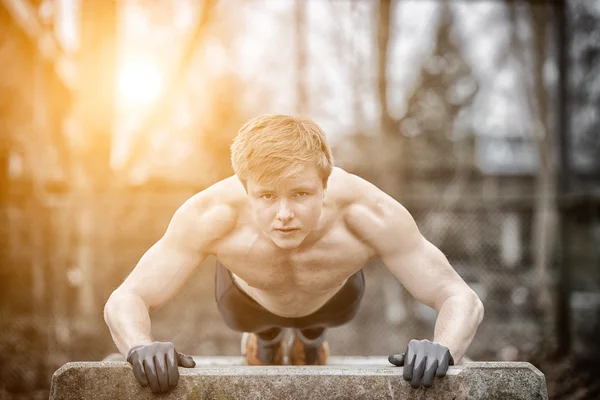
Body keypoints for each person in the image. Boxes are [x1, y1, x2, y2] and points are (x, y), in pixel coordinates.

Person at [104, 114, 484, 394]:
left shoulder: (367, 213)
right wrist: (140, 346)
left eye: (300, 194)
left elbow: (457, 295)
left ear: (325, 183)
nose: (284, 215)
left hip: (335, 298)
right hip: (246, 301)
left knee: (317, 319)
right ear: (245, 186)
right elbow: (128, 296)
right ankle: (266, 337)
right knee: (257, 322)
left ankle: (311, 336)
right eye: (267, 196)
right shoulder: (211, 214)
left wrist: (443, 349)